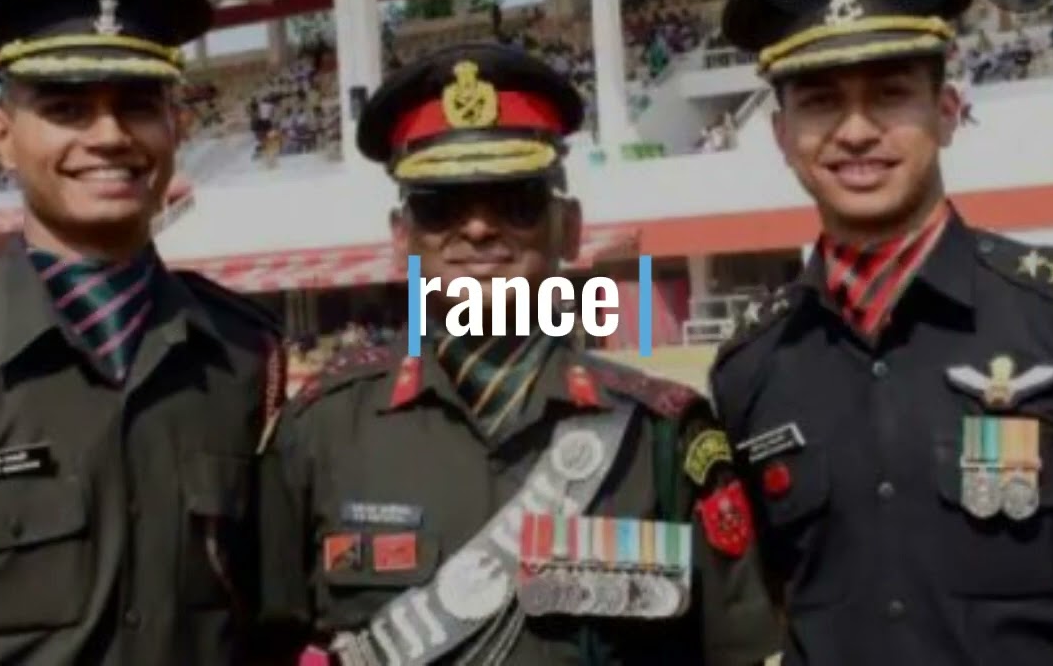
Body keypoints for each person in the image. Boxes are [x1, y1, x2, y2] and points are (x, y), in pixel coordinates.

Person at [712, 0, 1053, 664]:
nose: (855, 130)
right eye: (821, 101)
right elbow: (777, 601)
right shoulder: (750, 368)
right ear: (781, 135)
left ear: (949, 111)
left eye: (891, 93)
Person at [257, 43, 781, 665]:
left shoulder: (661, 436)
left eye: (516, 201)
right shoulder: (320, 432)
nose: (479, 229)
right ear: (402, 239)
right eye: (440, 205)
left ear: (570, 228)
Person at [0, 0, 287, 665]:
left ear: (176, 127)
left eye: (138, 105)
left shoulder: (246, 356)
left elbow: (270, 625)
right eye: (67, 108)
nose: (109, 136)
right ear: (1, 135)